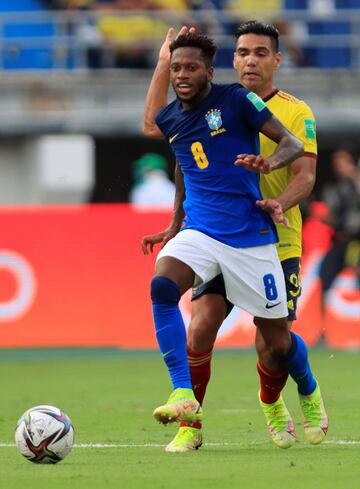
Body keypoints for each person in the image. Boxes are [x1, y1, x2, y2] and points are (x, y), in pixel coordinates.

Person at [142, 22, 328, 452]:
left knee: (274, 346)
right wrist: (174, 223)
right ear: (231, 60)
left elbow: (303, 166)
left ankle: (291, 392)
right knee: (191, 317)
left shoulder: (283, 109)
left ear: (276, 59)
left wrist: (279, 195)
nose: (250, 60)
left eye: (260, 53)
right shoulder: (192, 109)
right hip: (206, 234)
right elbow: (184, 158)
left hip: (270, 237)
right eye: (243, 52)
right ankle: (188, 415)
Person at [319, 148, 360, 301]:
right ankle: (322, 319)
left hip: (357, 241)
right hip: (342, 241)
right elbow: (332, 216)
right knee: (325, 271)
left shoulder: (356, 180)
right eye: (336, 163)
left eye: (342, 163)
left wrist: (355, 176)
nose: (338, 167)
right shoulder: (332, 188)